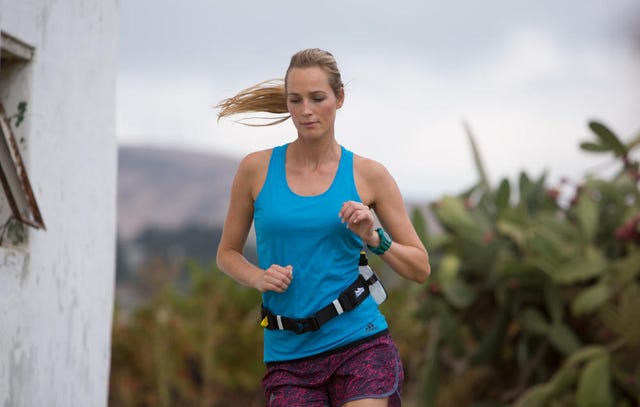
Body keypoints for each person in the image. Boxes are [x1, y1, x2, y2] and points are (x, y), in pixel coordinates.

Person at [216, 48, 430, 407]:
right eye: (295, 100)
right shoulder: (255, 170)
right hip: (288, 359)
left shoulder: (369, 174)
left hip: (360, 344)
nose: (305, 111)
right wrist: (257, 277)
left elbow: (420, 267)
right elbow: (227, 254)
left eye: (317, 98)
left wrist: (374, 238)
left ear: (339, 98)